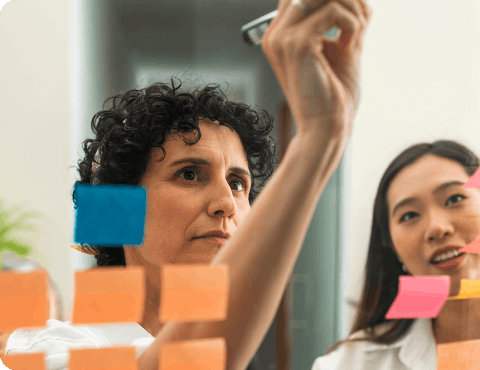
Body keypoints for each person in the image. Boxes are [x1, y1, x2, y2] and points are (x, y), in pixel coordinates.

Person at [4, 0, 372, 369]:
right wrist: (320, 135)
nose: (226, 202)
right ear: (119, 211)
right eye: (190, 174)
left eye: (238, 182)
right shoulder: (48, 349)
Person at [312, 140, 480, 370]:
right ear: (393, 249)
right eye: (409, 215)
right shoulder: (352, 364)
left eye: (454, 199)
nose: (436, 228)